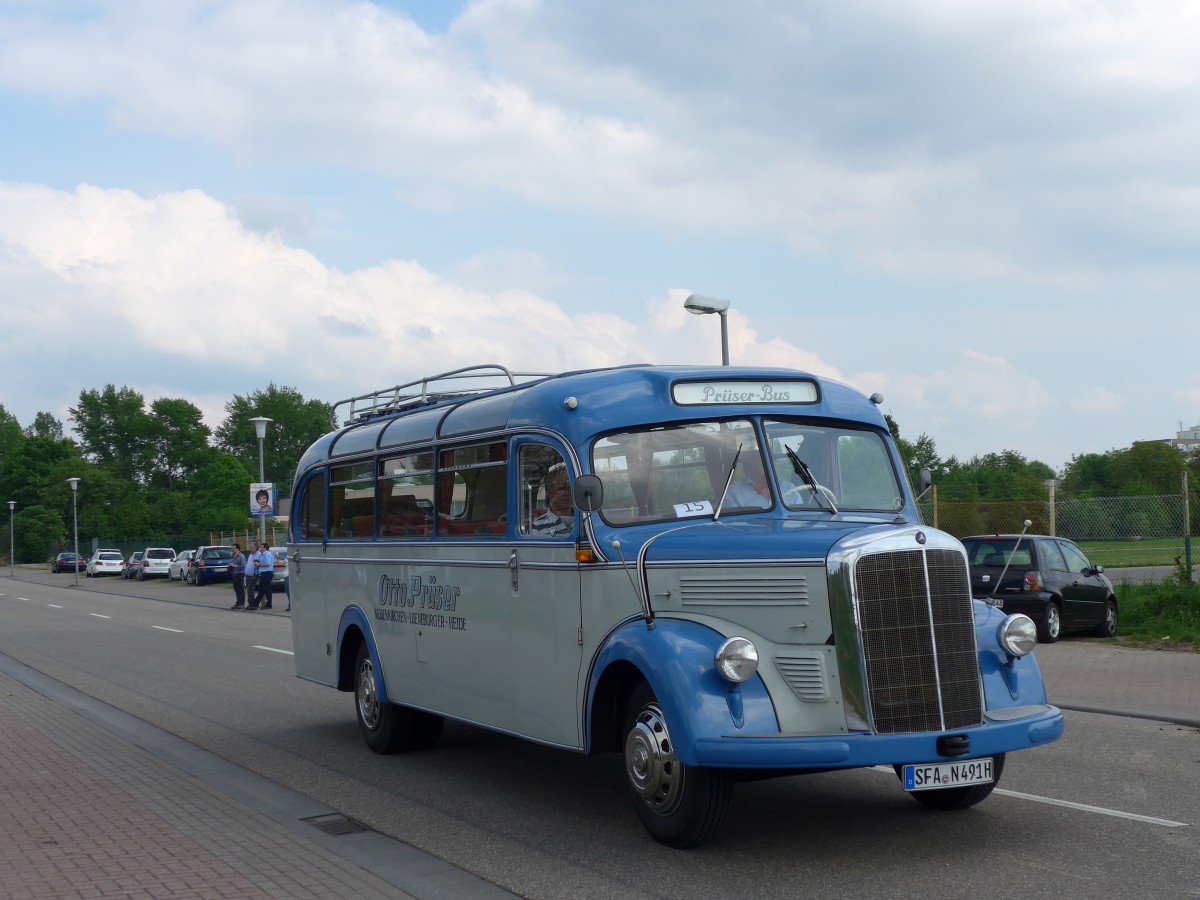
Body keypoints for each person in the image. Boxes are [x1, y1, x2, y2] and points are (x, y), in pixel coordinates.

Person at [725, 451, 795, 508]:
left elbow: (801, 516)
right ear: (747, 465)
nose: (770, 465)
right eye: (762, 461)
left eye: (772, 461)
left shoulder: (789, 488)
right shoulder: (733, 493)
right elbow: (733, 523)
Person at [530, 466, 574, 535]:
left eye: (569, 488)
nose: (567, 493)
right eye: (561, 489)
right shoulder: (537, 527)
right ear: (550, 493)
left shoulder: (586, 520)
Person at [249, 541, 276, 609]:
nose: (260, 548)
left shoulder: (267, 554)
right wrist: (257, 561)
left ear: (265, 548)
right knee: (261, 589)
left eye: (261, 547)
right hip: (263, 573)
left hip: (267, 573)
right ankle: (255, 604)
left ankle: (269, 604)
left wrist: (259, 564)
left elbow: (268, 564)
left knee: (267, 589)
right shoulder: (262, 554)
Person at [241, 541, 260, 610]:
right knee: (248, 588)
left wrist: (255, 573)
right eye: (250, 547)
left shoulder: (258, 554)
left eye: (251, 548)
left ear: (255, 548)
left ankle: (252, 603)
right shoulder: (250, 555)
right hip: (248, 575)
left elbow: (257, 565)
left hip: (254, 575)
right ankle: (251, 603)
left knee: (250, 588)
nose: (250, 549)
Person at [228, 543, 247, 609]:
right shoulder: (234, 556)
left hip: (240, 574)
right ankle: (238, 602)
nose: (232, 550)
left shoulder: (241, 556)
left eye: (234, 548)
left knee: (240, 589)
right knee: (236, 589)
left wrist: (235, 566)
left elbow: (243, 566)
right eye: (232, 548)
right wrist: (231, 566)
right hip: (235, 574)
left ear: (237, 549)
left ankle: (241, 603)